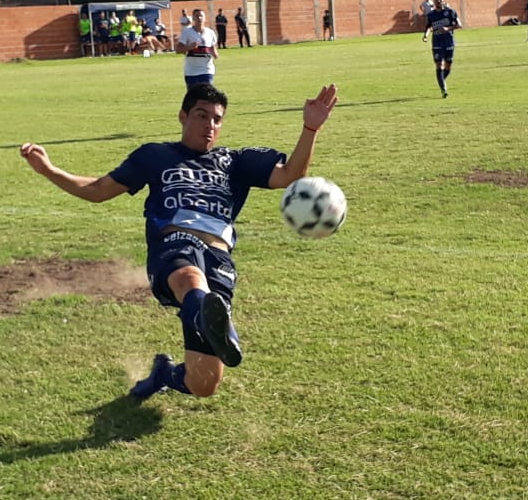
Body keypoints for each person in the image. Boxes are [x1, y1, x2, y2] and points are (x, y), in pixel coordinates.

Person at [18, 82, 339, 400]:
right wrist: (48, 170)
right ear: (183, 116)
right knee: (190, 277)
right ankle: (214, 320)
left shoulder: (235, 162)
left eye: (216, 119)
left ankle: (166, 373)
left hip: (219, 257)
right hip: (173, 243)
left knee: (204, 383)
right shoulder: (155, 155)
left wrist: (310, 128)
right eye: (201, 115)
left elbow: (290, 176)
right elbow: (97, 190)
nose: (209, 125)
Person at [422, 0, 461, 98]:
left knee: (448, 65)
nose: (438, 1)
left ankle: (441, 81)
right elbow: (428, 27)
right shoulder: (431, 15)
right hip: (437, 43)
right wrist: (425, 36)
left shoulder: (451, 12)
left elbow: (459, 25)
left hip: (449, 42)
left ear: (443, 0)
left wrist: (448, 28)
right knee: (439, 65)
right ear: (434, 1)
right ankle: (443, 89)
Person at [175, 8, 219, 88]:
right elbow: (178, 50)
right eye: (197, 16)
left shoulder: (210, 33)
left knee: (207, 93)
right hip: (191, 71)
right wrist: (189, 47)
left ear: (205, 18)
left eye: (201, 16)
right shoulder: (187, 32)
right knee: (193, 94)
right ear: (193, 18)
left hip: (207, 70)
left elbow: (213, 48)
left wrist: (215, 54)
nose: (199, 18)